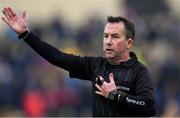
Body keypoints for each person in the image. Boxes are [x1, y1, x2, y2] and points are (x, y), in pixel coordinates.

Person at [1, 7, 156, 117]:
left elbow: (149, 107)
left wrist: (116, 96)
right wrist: (26, 34)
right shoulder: (96, 66)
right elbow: (57, 57)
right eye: (105, 36)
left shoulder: (139, 71)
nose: (108, 41)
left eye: (114, 36)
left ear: (129, 43)